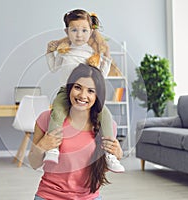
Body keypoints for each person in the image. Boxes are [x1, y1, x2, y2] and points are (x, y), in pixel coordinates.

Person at [45, 9, 124, 173]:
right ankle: (53, 149)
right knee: (57, 112)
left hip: (89, 94)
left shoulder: (93, 53)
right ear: (67, 32)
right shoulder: (64, 50)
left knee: (106, 116)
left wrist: (107, 57)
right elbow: (53, 68)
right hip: (66, 92)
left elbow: (101, 75)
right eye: (74, 30)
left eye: (84, 30)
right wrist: (49, 52)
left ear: (91, 31)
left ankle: (110, 155)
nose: (79, 35)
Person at [28, 63, 124, 200]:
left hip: (89, 197)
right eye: (78, 88)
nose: (82, 95)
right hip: (50, 196)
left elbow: (99, 168)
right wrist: (42, 146)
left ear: (98, 95)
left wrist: (118, 154)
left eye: (91, 91)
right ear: (69, 88)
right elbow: (34, 163)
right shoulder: (47, 119)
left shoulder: (108, 127)